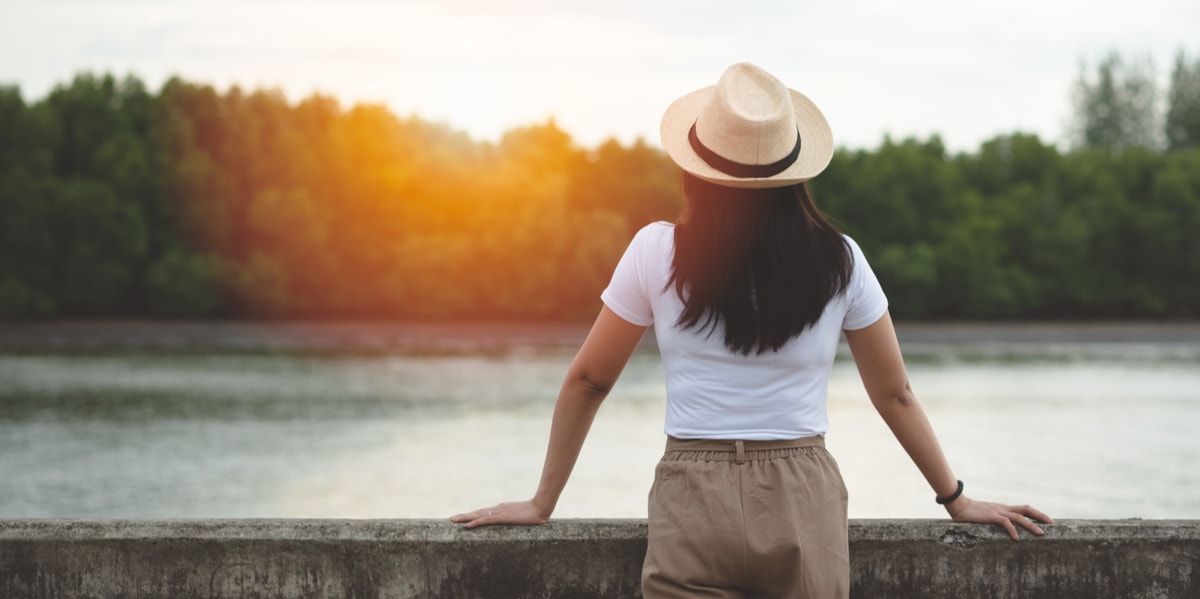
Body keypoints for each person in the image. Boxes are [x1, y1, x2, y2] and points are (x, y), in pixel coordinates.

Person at [451, 62, 1051, 598]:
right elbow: (894, 394)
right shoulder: (840, 259)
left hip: (692, 497)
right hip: (802, 497)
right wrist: (956, 499)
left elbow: (588, 381)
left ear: (695, 167)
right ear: (794, 172)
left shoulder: (655, 251)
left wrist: (542, 501)